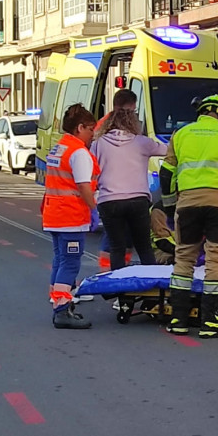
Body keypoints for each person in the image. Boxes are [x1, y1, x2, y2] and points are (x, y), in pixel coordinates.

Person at [159, 92, 218, 339]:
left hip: (188, 205)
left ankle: (178, 320)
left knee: (183, 260)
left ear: (201, 111)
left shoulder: (180, 134)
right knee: (216, 262)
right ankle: (210, 323)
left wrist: (170, 209)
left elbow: (167, 174)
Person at [90, 101, 167, 271]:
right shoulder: (142, 142)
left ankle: (119, 292)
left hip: (109, 201)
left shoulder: (98, 144)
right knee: (144, 247)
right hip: (137, 200)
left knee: (116, 248)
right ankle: (150, 285)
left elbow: (92, 171)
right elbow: (168, 151)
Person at [42, 104, 99, 329]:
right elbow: (84, 186)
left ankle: (58, 303)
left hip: (54, 214)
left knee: (60, 260)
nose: (93, 134)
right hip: (71, 216)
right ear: (80, 127)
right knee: (71, 263)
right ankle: (62, 310)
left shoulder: (60, 147)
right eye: (91, 129)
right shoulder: (78, 153)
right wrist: (93, 208)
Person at [95, 89, 140, 269]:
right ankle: (111, 281)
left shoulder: (102, 126)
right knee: (117, 239)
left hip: (109, 195)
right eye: (133, 109)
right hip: (125, 194)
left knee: (118, 239)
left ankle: (113, 280)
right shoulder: (130, 128)